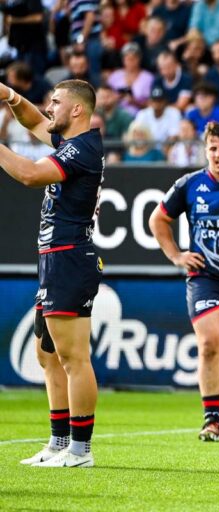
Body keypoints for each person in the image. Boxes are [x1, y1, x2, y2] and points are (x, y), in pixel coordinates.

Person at [0, 79, 104, 468]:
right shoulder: (70, 142)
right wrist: (10, 95)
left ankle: (80, 449)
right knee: (47, 355)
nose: (49, 107)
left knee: (74, 357)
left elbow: (29, 174)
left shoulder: (82, 149)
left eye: (56, 102)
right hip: (53, 258)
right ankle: (58, 442)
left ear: (77, 109)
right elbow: (32, 121)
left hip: (69, 257)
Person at [150, 122, 219, 442]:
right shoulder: (190, 184)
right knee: (210, 343)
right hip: (205, 278)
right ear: (205, 151)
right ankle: (211, 420)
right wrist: (176, 255)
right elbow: (158, 219)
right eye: (212, 148)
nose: (218, 154)